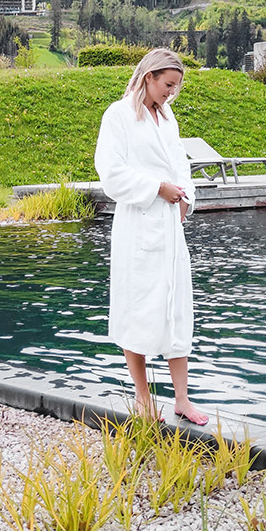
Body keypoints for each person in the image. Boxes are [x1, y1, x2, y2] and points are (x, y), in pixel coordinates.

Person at [94, 48, 208, 426]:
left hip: (170, 227)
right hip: (138, 224)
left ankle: (181, 399)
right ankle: (143, 398)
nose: (171, 94)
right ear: (149, 77)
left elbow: (181, 164)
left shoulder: (167, 118)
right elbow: (111, 173)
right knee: (137, 309)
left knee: (177, 311)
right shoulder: (119, 115)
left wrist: (184, 198)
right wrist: (157, 187)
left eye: (176, 87)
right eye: (167, 85)